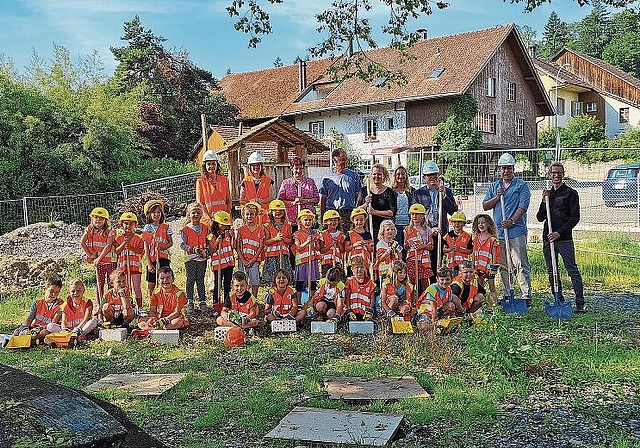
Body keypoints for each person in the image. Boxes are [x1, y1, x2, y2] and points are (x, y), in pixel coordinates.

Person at [482, 152, 532, 306]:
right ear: (500, 169)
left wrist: (512, 221)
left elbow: (523, 207)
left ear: (513, 169)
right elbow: (485, 205)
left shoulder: (521, 186)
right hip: (499, 233)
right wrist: (497, 197)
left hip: (516, 231)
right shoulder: (494, 186)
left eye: (509, 168)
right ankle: (507, 292)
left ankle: (526, 295)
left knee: (520, 264)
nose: (506, 171)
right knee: (503, 265)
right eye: (503, 168)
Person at [535, 161, 586, 313]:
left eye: (559, 172)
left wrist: (559, 233)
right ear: (549, 175)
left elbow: (575, 218)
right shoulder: (548, 194)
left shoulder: (571, 193)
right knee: (552, 270)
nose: (556, 175)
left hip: (563, 239)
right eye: (553, 173)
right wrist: (544, 201)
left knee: (572, 269)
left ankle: (580, 302)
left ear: (563, 175)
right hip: (548, 238)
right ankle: (558, 299)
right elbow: (539, 217)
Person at [411, 160, 458, 283]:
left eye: (435, 174)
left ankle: (440, 284)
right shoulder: (418, 193)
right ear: (424, 177)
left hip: (442, 231)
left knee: (440, 258)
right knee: (426, 261)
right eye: (429, 175)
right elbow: (415, 214)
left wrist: (444, 196)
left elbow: (453, 210)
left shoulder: (446, 191)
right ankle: (428, 287)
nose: (432, 177)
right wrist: (430, 230)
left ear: (438, 175)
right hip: (425, 233)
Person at [80, 207, 117, 305]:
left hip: (110, 261)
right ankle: (100, 305)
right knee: (99, 284)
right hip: (98, 262)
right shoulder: (89, 229)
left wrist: (98, 259)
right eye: (96, 217)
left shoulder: (110, 231)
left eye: (101, 218)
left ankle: (111, 304)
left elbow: (109, 245)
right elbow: (82, 242)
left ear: (106, 220)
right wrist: (90, 255)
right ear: (92, 218)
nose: (98, 220)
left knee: (111, 283)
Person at [320, 149, 362, 233]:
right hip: (331, 212)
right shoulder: (326, 178)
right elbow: (323, 200)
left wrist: (356, 210)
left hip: (348, 213)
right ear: (334, 160)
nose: (345, 161)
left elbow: (359, 196)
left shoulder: (354, 176)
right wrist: (322, 218)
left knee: (347, 239)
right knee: (330, 239)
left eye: (346, 159)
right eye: (342, 159)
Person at [180, 202, 211, 315]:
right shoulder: (185, 229)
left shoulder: (206, 228)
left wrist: (207, 250)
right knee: (190, 280)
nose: (196, 215)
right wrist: (192, 249)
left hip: (202, 258)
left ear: (202, 214)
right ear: (189, 214)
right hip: (190, 259)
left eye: (198, 213)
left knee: (200, 279)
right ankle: (190, 302)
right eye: (193, 213)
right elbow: (182, 244)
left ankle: (202, 301)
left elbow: (208, 241)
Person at [137, 266, 189, 331]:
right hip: (159, 319)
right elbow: (152, 310)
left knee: (178, 322)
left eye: (168, 278)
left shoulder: (179, 293)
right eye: (162, 278)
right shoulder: (155, 293)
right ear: (158, 281)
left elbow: (176, 312)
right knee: (141, 322)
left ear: (173, 279)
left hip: (173, 319)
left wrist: (164, 321)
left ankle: (155, 330)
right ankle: (158, 328)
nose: (165, 280)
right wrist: (154, 319)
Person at [13, 277, 63, 342]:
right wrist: (25, 328)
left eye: (57, 292)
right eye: (51, 291)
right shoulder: (37, 303)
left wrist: (39, 329)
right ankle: (15, 340)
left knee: (44, 332)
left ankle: (30, 340)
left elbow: (54, 323)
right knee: (17, 331)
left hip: (46, 329)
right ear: (44, 289)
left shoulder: (60, 305)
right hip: (35, 327)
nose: (54, 294)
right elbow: (29, 319)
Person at [114, 212, 145, 315]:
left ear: (135, 225)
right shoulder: (119, 238)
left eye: (131, 223)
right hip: (123, 268)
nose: (128, 226)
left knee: (137, 287)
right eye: (126, 223)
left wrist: (131, 247)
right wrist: (123, 244)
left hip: (135, 267)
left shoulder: (138, 238)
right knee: (125, 288)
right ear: (122, 225)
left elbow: (141, 251)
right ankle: (128, 306)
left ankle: (140, 307)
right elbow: (116, 252)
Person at [142, 199, 173, 301]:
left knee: (164, 280)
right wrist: (149, 263)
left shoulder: (166, 227)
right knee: (151, 283)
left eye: (159, 212)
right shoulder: (147, 228)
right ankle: (152, 303)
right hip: (152, 259)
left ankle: (164, 301)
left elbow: (170, 242)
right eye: (153, 212)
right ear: (149, 214)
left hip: (163, 258)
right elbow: (146, 246)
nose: (156, 214)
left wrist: (163, 247)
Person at [358, 163, 396, 244]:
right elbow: (357, 211)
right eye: (374, 174)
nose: (376, 176)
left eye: (379, 174)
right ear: (371, 175)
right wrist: (366, 203)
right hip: (367, 229)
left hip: (383, 231)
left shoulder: (389, 192)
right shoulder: (364, 190)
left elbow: (392, 213)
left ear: (384, 176)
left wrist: (374, 212)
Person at [293, 209, 321, 316]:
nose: (308, 222)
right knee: (300, 283)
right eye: (305, 220)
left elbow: (318, 247)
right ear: (300, 221)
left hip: (312, 262)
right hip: (302, 262)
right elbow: (298, 247)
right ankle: (299, 303)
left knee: (312, 282)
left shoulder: (315, 233)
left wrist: (314, 242)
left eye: (310, 220)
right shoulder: (297, 234)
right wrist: (307, 242)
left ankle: (312, 301)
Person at [236, 201, 266, 298]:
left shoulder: (261, 229)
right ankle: (243, 300)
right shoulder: (240, 230)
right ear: (244, 216)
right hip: (242, 260)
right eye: (247, 214)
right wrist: (243, 260)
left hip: (254, 260)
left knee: (255, 282)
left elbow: (261, 247)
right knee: (242, 281)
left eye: (252, 214)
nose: (249, 216)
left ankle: (253, 300)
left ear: (256, 215)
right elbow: (238, 246)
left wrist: (253, 260)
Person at [195, 149, 232, 226]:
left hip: (223, 220)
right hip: (208, 221)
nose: (211, 166)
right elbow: (200, 204)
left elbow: (228, 200)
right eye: (209, 164)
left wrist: (227, 215)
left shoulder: (224, 180)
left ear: (217, 165)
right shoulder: (200, 182)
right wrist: (209, 219)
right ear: (205, 165)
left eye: (213, 164)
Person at [404, 203, 434, 294]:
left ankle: (427, 299)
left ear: (423, 216)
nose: (414, 216)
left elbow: (431, 246)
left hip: (423, 260)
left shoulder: (427, 230)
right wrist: (408, 243)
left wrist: (422, 246)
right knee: (412, 282)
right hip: (412, 259)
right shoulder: (407, 230)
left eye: (417, 214)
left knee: (425, 281)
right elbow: (405, 247)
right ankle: (412, 301)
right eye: (412, 214)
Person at [472, 214, 500, 307]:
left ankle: (495, 306)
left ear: (488, 224)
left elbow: (495, 255)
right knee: (480, 288)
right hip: (478, 267)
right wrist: (473, 266)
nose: (481, 225)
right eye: (479, 223)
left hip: (489, 268)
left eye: (483, 222)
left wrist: (494, 268)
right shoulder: (476, 238)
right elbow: (474, 253)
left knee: (492, 288)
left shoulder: (492, 239)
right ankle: (484, 306)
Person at [262, 199, 293, 285]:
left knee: (283, 277)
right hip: (271, 256)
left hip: (283, 255)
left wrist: (283, 239)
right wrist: (275, 239)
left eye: (280, 210)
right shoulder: (267, 226)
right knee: (272, 279)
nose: (278, 212)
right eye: (275, 210)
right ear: (271, 212)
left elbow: (290, 241)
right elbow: (266, 242)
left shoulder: (288, 225)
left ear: (284, 212)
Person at [209, 211, 235, 313]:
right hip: (218, 263)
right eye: (221, 224)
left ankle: (227, 303)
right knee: (217, 284)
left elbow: (233, 246)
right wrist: (216, 242)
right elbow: (211, 250)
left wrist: (233, 237)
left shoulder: (228, 233)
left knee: (227, 284)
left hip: (229, 262)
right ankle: (216, 303)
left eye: (225, 224)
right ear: (216, 223)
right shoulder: (211, 236)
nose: (224, 226)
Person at [415, 267, 455, 331]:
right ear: (437, 279)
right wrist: (434, 324)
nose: (444, 282)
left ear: (451, 280)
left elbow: (449, 306)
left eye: (447, 279)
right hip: (425, 312)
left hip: (437, 311)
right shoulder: (432, 289)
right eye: (442, 279)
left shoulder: (449, 289)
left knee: (451, 305)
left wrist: (453, 320)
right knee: (424, 328)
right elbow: (434, 311)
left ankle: (440, 324)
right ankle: (432, 326)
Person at [240, 151, 274, 224]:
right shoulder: (245, 181)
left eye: (258, 165)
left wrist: (259, 201)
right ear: (250, 167)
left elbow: (270, 198)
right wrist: (250, 203)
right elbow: (241, 200)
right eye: (253, 165)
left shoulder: (268, 180)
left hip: (264, 216)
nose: (256, 167)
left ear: (261, 166)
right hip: (250, 218)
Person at [344, 255, 376, 321]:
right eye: (357, 267)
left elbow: (372, 300)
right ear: (352, 269)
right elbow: (347, 298)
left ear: (365, 268)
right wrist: (349, 311)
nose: (359, 269)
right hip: (353, 312)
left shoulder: (370, 283)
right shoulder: (349, 282)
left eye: (361, 267)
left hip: (365, 313)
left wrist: (369, 311)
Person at [443, 211, 472, 277]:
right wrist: (449, 249)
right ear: (451, 223)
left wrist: (459, 249)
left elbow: (470, 251)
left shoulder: (467, 236)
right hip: (451, 265)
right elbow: (443, 249)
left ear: (464, 223)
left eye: (459, 222)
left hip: (463, 266)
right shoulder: (448, 235)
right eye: (454, 222)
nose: (457, 224)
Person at [345, 208, 374, 276]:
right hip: (353, 263)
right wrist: (355, 245)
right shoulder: (349, 234)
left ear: (365, 220)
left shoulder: (368, 234)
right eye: (357, 220)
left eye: (361, 219)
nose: (359, 222)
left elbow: (371, 250)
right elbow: (346, 248)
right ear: (353, 221)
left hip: (365, 263)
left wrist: (366, 245)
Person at [318, 210, 347, 278]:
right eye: (330, 220)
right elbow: (321, 250)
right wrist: (331, 244)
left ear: (338, 221)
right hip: (326, 262)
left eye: (335, 220)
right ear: (326, 222)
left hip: (338, 262)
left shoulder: (341, 235)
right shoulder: (323, 234)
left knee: (339, 280)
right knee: (327, 280)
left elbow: (343, 250)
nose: (333, 222)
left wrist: (338, 242)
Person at [391, 165, 413, 249]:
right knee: (397, 249)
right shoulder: (391, 191)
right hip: (395, 225)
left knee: (408, 250)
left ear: (406, 176)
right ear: (395, 176)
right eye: (398, 174)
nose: (401, 176)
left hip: (408, 226)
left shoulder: (411, 191)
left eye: (403, 174)